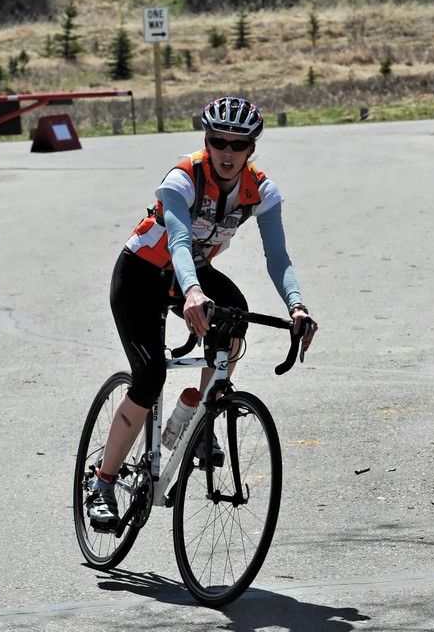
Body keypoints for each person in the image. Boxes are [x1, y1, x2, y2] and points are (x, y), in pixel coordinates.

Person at [87, 96, 318, 530]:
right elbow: (177, 239)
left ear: (251, 148)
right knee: (149, 377)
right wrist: (192, 292)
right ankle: (102, 483)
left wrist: (297, 305)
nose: (227, 152)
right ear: (206, 142)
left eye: (238, 144)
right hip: (141, 274)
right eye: (218, 142)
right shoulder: (184, 178)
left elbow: (277, 257)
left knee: (236, 316)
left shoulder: (262, 191)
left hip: (192, 273)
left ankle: (201, 420)